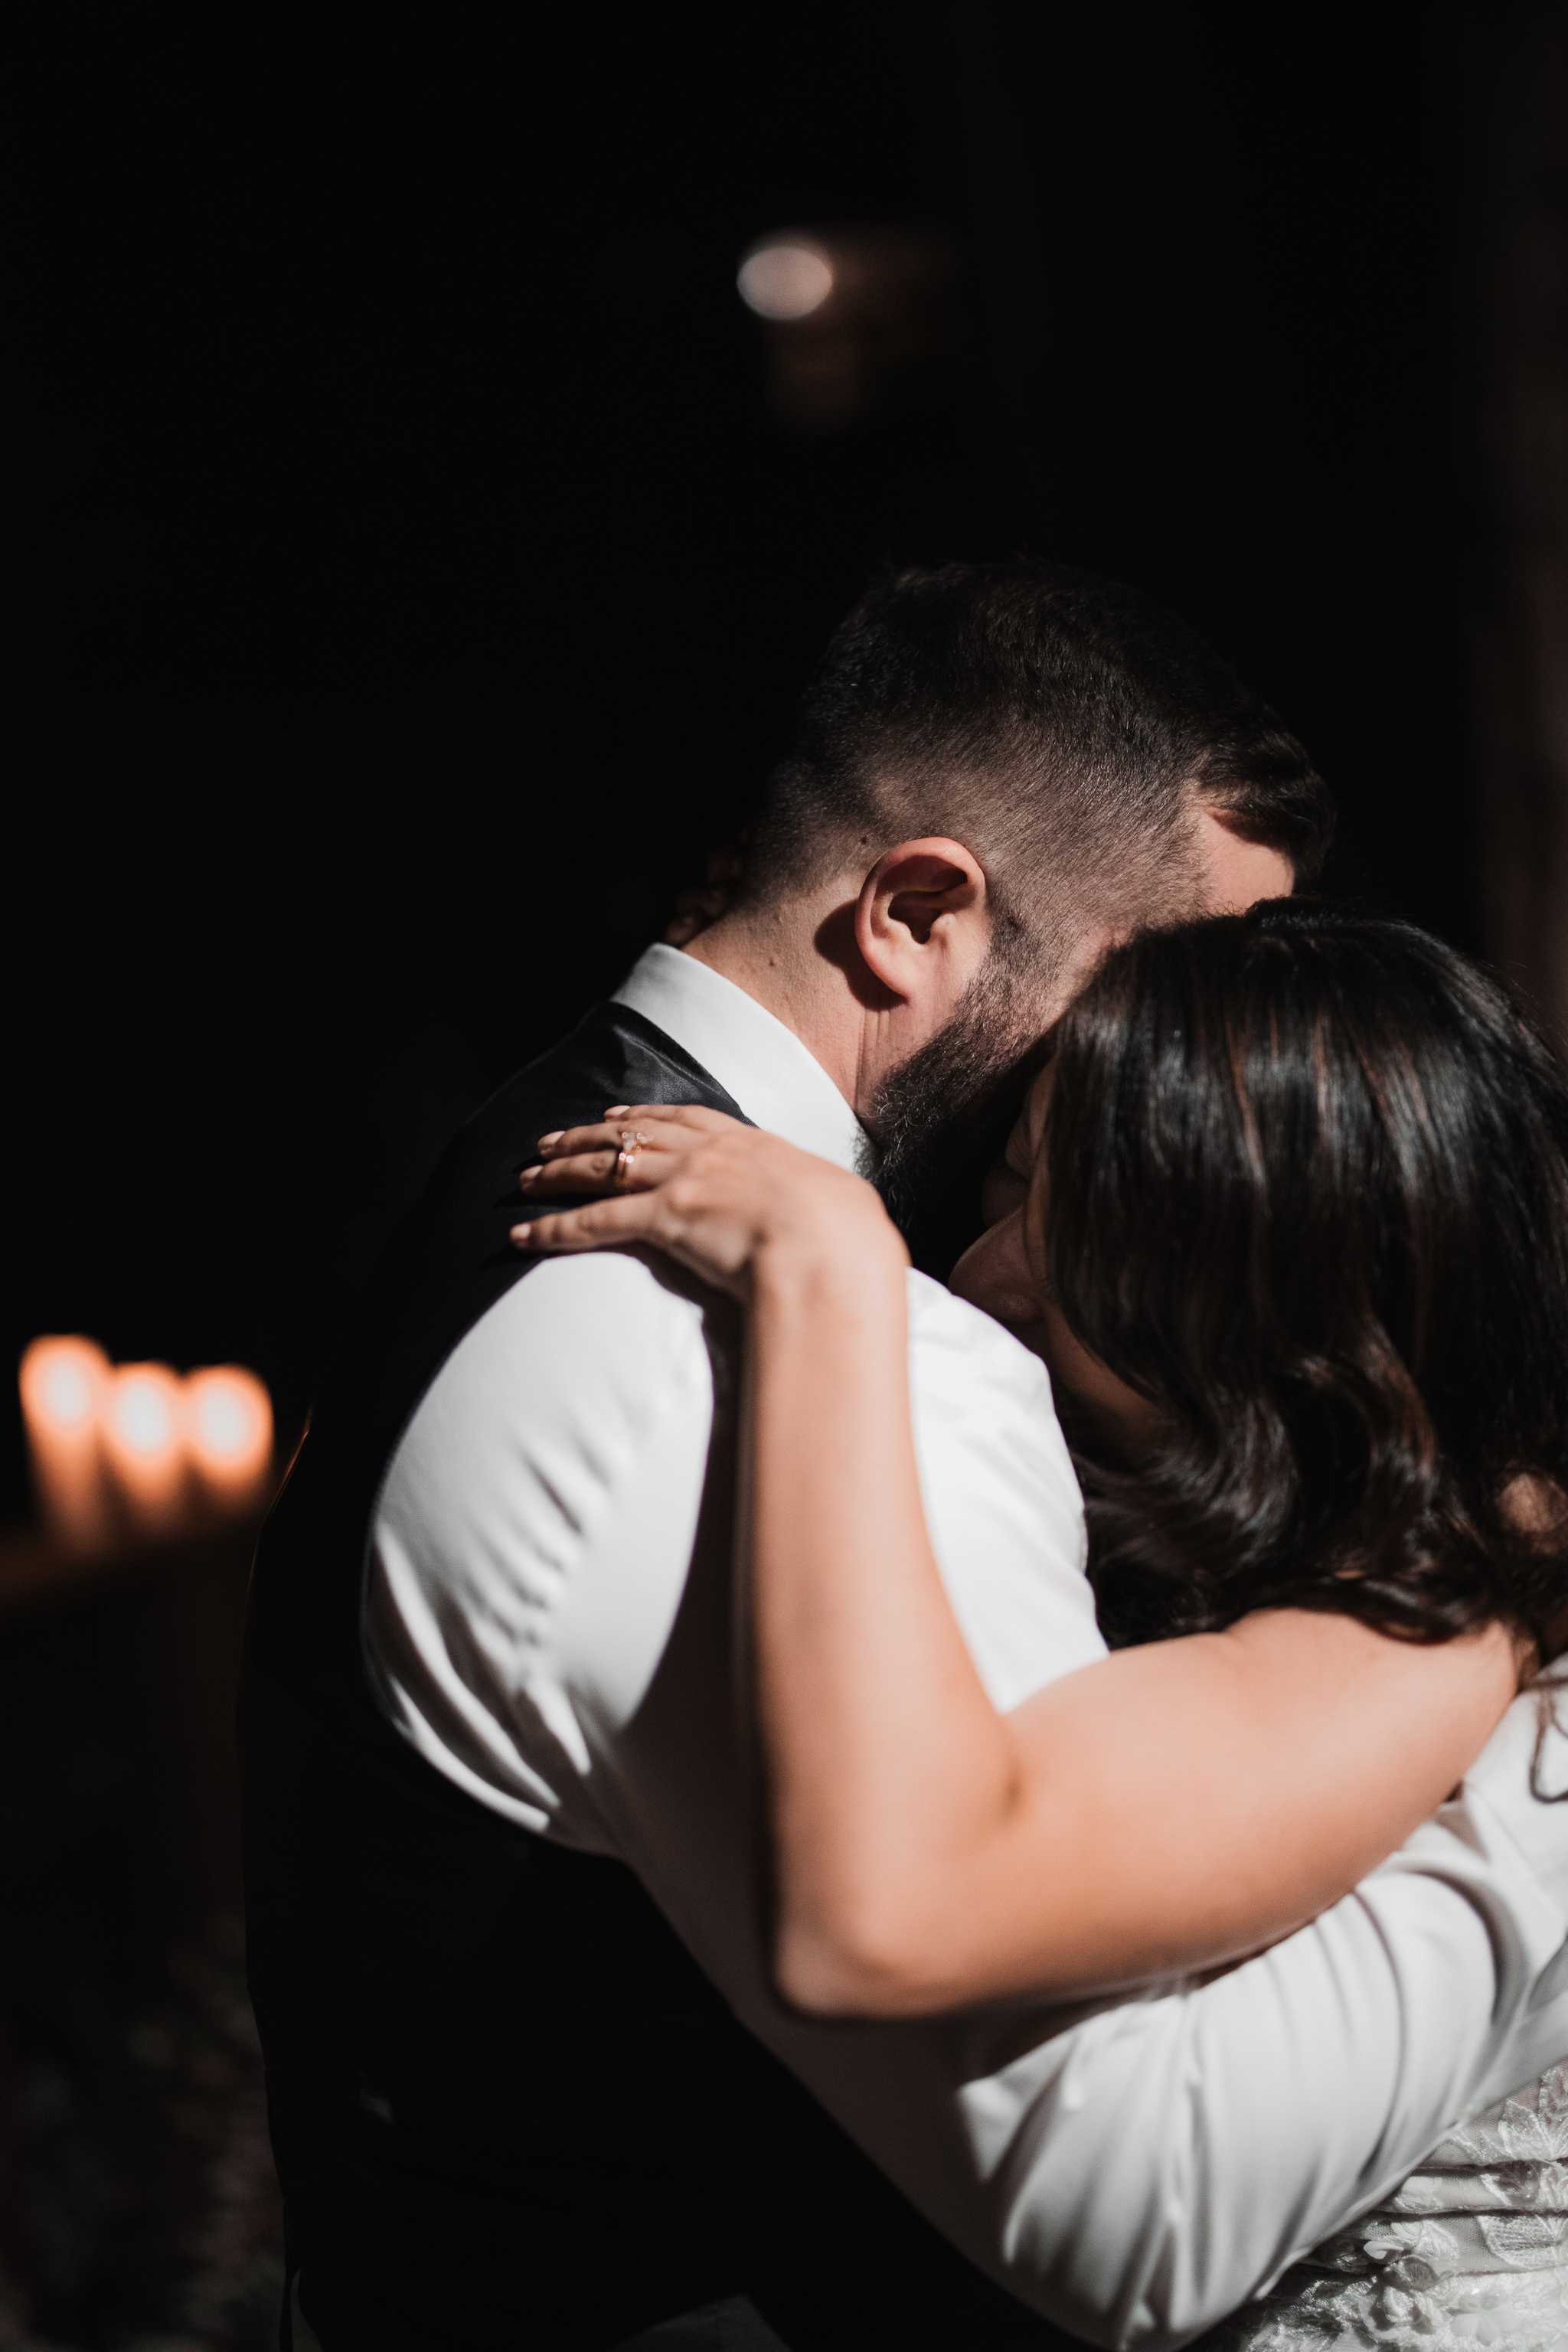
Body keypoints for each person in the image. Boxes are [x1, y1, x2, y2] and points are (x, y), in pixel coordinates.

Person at [241, 562, 1568, 2350]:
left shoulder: (538, 1154)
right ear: (917, 915)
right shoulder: (786, 1352)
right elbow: (1125, 2186)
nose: (1186, 1059)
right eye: (1167, 982)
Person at [514, 900, 1568, 2345]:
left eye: (1041, 1207)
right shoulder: (1373, 1553)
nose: (983, 1273)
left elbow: (883, 1909)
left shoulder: (1450, 1603)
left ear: (1236, 1290)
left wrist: (831, 1273)